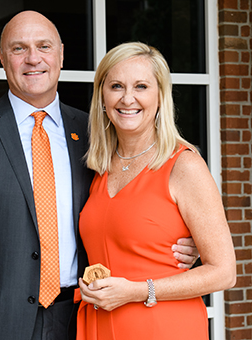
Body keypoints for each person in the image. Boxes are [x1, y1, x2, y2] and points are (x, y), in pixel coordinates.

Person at [0, 11, 198, 340]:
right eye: (19, 48)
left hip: (80, 318)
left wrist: (179, 239)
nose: (33, 58)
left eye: (44, 46)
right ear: (1, 57)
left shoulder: (95, 134)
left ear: (61, 55)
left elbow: (127, 205)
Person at [76, 42, 236, 339]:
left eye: (141, 86)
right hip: (101, 325)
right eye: (116, 86)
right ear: (102, 97)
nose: (127, 98)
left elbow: (224, 272)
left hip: (163, 326)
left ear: (160, 97)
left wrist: (137, 291)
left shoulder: (184, 164)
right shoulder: (99, 167)